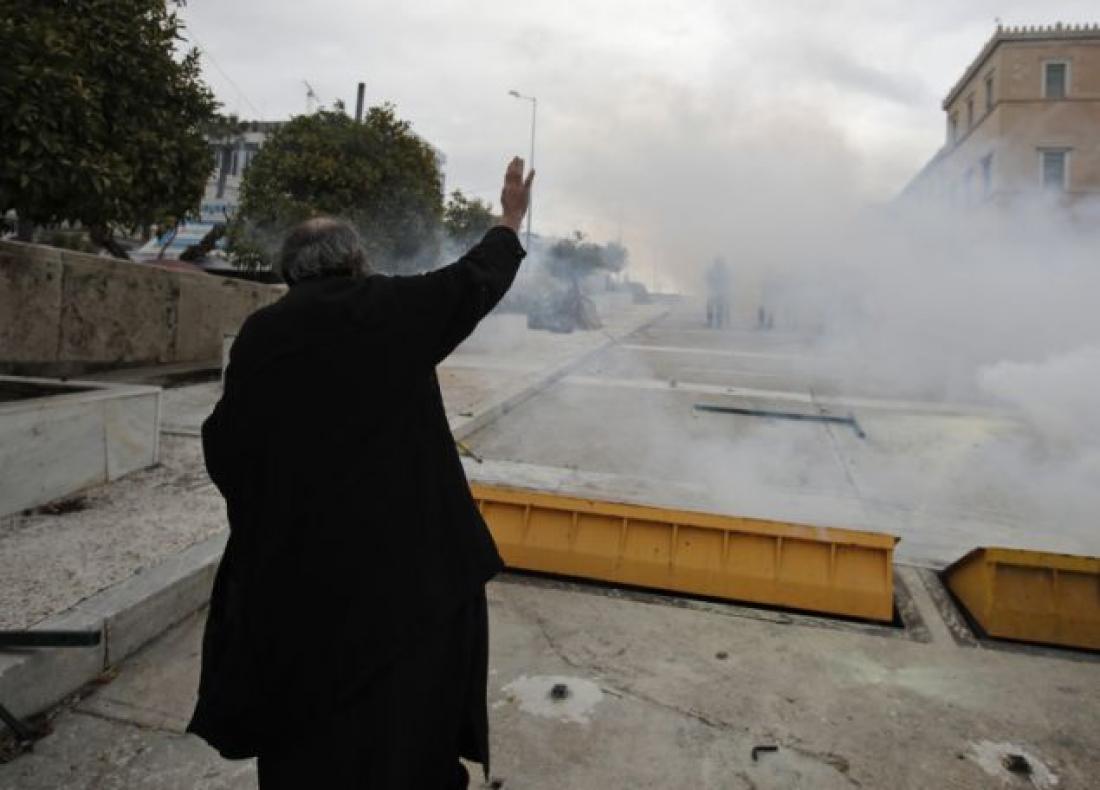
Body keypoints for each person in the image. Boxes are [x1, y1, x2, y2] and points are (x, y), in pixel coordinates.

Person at [187, 158, 535, 788]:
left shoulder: (263, 333)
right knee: (410, 735)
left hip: (304, 589)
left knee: (312, 743)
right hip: (414, 584)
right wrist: (509, 219)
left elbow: (226, 445)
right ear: (356, 261)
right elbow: (476, 278)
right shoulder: (396, 307)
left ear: (291, 271)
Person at [705, 257, 732, 328]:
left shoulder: (725, 271)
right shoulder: (712, 270)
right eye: (717, 262)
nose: (718, 264)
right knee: (710, 307)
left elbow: (728, 281)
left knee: (719, 308)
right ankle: (710, 322)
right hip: (714, 292)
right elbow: (707, 279)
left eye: (719, 262)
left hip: (721, 292)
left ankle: (719, 323)